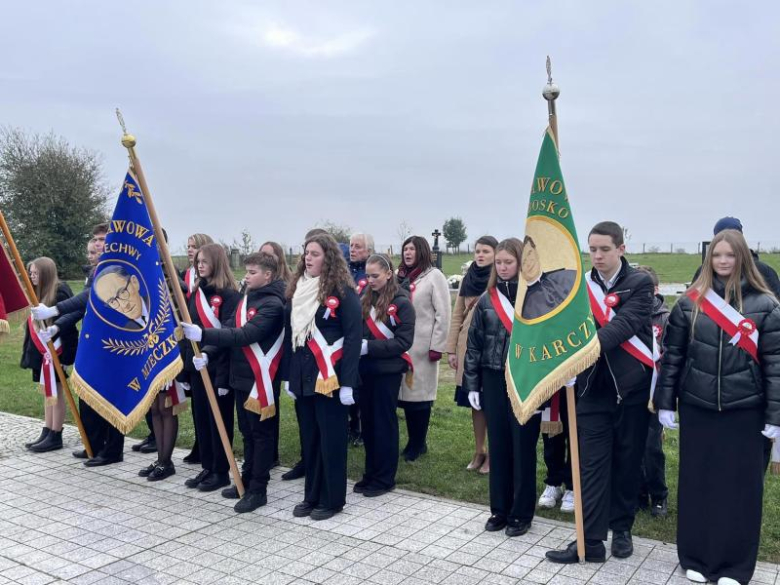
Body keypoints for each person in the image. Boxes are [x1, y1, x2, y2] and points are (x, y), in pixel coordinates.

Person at [655, 229, 780, 585]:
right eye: (717, 255)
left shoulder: (767, 306)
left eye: (730, 255)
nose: (723, 261)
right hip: (698, 407)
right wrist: (666, 402)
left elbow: (775, 365)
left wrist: (775, 416)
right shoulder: (689, 303)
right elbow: (673, 357)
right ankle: (696, 557)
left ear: (743, 258)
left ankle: (735, 567)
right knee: (699, 485)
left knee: (740, 490)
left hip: (746, 411)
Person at [547, 221, 655, 564]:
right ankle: (590, 541)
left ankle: (621, 529)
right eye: (592, 249)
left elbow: (626, 325)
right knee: (591, 466)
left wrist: (581, 351)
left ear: (621, 249)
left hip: (631, 389)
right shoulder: (579, 285)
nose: (597, 256)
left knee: (626, 462)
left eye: (604, 249)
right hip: (591, 389)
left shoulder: (639, 283)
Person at [182, 252, 286, 512]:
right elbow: (229, 326)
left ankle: (258, 489)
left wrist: (203, 333)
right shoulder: (247, 299)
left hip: (259, 380)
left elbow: (245, 334)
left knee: (261, 435)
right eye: (246, 271)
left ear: (268, 275)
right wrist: (207, 351)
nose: (246, 276)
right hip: (240, 376)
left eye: (252, 272)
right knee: (247, 433)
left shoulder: (273, 304)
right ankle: (248, 478)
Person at [462, 238, 541, 537]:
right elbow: (474, 345)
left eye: (509, 262)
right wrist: (472, 383)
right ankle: (499, 509)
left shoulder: (535, 298)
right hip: (493, 379)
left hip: (523, 379)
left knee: (522, 447)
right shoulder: (487, 299)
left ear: (521, 263)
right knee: (499, 444)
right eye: (500, 263)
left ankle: (521, 513)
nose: (504, 267)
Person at [281, 233, 362, 520]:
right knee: (310, 440)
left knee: (332, 441)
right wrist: (290, 377)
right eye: (306, 253)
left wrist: (348, 383)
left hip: (331, 380)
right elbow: (292, 336)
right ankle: (311, 495)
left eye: (314, 254)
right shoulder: (299, 289)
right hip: (303, 377)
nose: (308, 258)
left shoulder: (342, 291)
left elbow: (353, 338)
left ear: (328, 257)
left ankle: (332, 499)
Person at [32, 223, 126, 467]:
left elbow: (89, 297)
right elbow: (80, 307)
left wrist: (54, 310)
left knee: (108, 396)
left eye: (103, 239)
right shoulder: (95, 270)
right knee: (88, 394)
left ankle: (112, 449)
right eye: (95, 239)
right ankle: (93, 444)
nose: (97, 243)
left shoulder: (116, 269)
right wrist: (56, 326)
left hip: (112, 343)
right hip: (93, 342)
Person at [692, 217, 780, 471]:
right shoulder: (703, 273)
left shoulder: (764, 272)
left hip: (752, 359)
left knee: (752, 444)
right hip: (713, 365)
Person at [355, 254, 415, 497]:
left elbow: (403, 341)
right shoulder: (365, 299)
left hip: (387, 372)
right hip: (366, 370)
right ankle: (370, 473)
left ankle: (385, 478)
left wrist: (369, 347)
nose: (370, 280)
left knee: (384, 424)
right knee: (367, 424)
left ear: (389, 274)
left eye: (375, 276)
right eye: (367, 275)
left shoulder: (402, 303)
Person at [183, 243, 240, 492]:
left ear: (217, 262)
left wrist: (208, 353)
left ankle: (221, 470)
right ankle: (207, 465)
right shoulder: (197, 291)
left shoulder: (229, 294)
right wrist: (187, 367)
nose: (200, 265)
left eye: (204, 261)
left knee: (219, 420)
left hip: (219, 366)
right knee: (202, 419)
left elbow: (227, 330)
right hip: (197, 365)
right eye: (198, 262)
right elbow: (190, 329)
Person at [397, 235, 451, 462]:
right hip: (402, 347)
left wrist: (437, 346)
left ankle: (418, 443)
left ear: (422, 251)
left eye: (412, 249)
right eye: (405, 249)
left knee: (420, 398)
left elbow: (444, 312)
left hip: (422, 348)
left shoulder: (433, 276)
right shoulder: (400, 278)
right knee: (406, 397)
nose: (408, 253)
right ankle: (414, 441)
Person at [445, 235, 497, 473]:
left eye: (486, 251)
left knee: (492, 402)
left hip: (492, 347)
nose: (480, 255)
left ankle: (493, 456)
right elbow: (457, 316)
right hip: (468, 346)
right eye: (478, 251)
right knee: (475, 403)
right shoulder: (469, 278)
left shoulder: (500, 277)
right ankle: (479, 451)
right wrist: (452, 349)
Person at [20, 258, 78, 453]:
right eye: (31, 272)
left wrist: (66, 358)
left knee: (57, 392)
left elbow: (68, 323)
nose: (32, 276)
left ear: (46, 273)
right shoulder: (37, 292)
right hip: (42, 353)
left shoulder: (60, 290)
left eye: (35, 273)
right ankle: (47, 429)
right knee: (48, 392)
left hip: (56, 352)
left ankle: (56, 434)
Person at [635, 266, 669, 517]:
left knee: (652, 447)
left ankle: (659, 495)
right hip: (631, 389)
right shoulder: (629, 313)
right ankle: (637, 492)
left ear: (656, 290)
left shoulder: (666, 318)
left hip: (654, 392)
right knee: (630, 444)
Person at [180, 233, 214, 465]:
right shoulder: (187, 274)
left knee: (208, 407)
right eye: (189, 247)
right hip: (190, 342)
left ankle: (208, 450)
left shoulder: (208, 282)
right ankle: (199, 445)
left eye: (195, 247)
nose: (191, 251)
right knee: (197, 404)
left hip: (207, 343)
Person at [346, 232, 374, 446]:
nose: (353, 249)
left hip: (366, 333)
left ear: (368, 250)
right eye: (351, 245)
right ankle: (352, 424)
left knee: (364, 385)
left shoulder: (371, 272)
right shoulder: (345, 271)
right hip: (346, 333)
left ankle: (364, 428)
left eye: (358, 246)